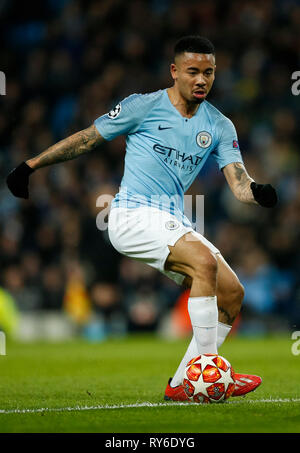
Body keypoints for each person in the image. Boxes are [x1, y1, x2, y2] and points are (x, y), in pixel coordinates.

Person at [7, 36, 277, 401]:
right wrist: (31, 165)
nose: (201, 80)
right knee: (203, 263)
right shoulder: (144, 106)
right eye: (193, 71)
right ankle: (211, 369)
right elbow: (88, 139)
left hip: (172, 221)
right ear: (175, 71)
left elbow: (239, 182)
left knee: (231, 294)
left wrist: (257, 192)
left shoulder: (219, 125)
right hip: (131, 215)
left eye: (209, 73)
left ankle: (183, 383)